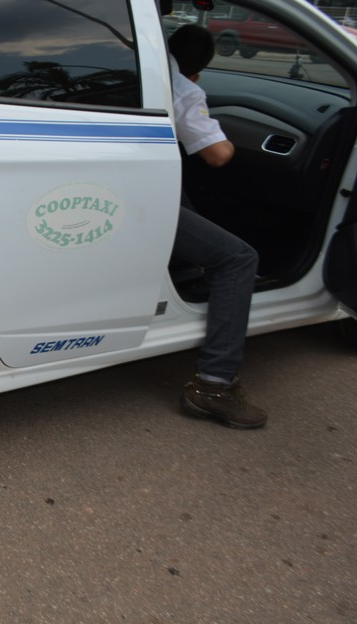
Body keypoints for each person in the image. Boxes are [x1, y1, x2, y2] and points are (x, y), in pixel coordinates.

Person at [168, 24, 267, 429]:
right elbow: (219, 155)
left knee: (178, 189)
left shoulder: (146, 70)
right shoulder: (182, 88)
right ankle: (214, 384)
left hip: (127, 186)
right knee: (240, 259)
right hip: (136, 197)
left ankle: (187, 269)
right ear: (198, 71)